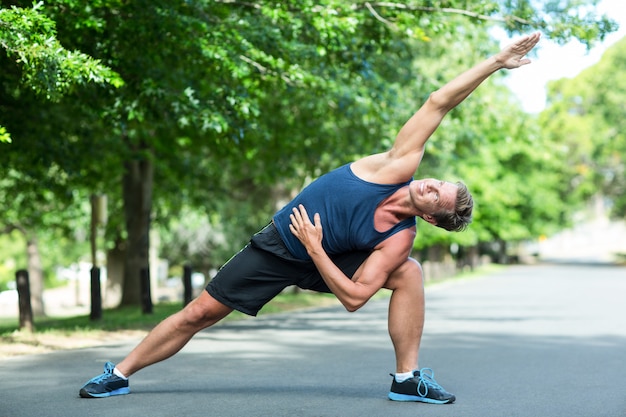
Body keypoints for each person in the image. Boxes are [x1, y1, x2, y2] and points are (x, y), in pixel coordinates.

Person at [79, 33, 541, 403]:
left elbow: (356, 298)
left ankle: (407, 378)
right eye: (440, 182)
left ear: (436, 218)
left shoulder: (400, 237)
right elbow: (439, 101)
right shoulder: (396, 166)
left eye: (440, 196)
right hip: (281, 245)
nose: (432, 185)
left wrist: (317, 248)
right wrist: (497, 62)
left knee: (409, 273)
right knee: (199, 312)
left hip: (328, 257)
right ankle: (119, 373)